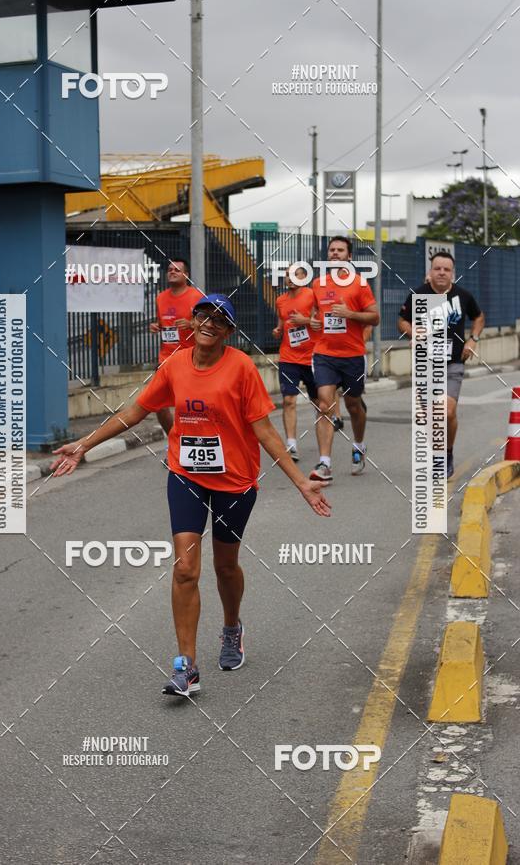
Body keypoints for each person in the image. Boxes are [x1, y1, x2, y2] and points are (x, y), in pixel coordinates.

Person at [52, 294, 331, 699]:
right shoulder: (174, 365)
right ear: (192, 321)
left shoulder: (241, 369)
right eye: (203, 315)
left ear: (229, 332)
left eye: (219, 320)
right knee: (185, 569)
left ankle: (232, 627)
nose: (209, 324)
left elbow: (265, 432)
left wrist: (300, 483)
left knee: (225, 567)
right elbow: (134, 412)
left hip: (235, 480)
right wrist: (84, 445)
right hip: (186, 475)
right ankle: (187, 666)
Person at [398, 251, 484, 478]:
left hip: (453, 363)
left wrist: (473, 339)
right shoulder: (418, 294)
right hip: (425, 364)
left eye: (447, 269)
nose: (442, 273)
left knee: (446, 412)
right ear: (430, 271)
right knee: (430, 416)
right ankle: (438, 454)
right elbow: (401, 320)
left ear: (452, 273)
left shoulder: (462, 296)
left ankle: (446, 453)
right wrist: (412, 331)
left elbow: (479, 317)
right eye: (438, 268)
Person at [309, 236, 379, 482]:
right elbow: (315, 314)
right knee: (325, 404)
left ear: (349, 256)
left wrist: (349, 313)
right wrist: (314, 321)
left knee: (353, 405)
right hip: (324, 353)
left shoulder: (359, 284)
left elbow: (375, 317)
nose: (335, 253)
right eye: (332, 250)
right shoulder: (318, 283)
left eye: (340, 250)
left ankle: (359, 445)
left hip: (352, 355)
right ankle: (324, 464)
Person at [149, 259, 203, 437]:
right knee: (159, 405)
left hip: (189, 359)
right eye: (170, 270)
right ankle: (174, 442)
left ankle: (190, 442)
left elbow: (208, 324)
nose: (172, 272)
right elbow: (162, 322)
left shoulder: (196, 297)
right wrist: (156, 326)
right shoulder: (161, 297)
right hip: (165, 359)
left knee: (187, 406)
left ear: (186, 275)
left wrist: (191, 324)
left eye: (177, 270)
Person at [273, 264, 317, 462]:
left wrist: (305, 320)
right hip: (288, 357)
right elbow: (282, 324)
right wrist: (278, 330)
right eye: (286, 275)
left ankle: (330, 424)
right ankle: (291, 444)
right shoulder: (280, 300)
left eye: (293, 274)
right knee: (289, 400)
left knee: (319, 402)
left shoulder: (311, 295)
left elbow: (322, 321)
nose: (289, 278)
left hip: (313, 357)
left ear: (304, 277)